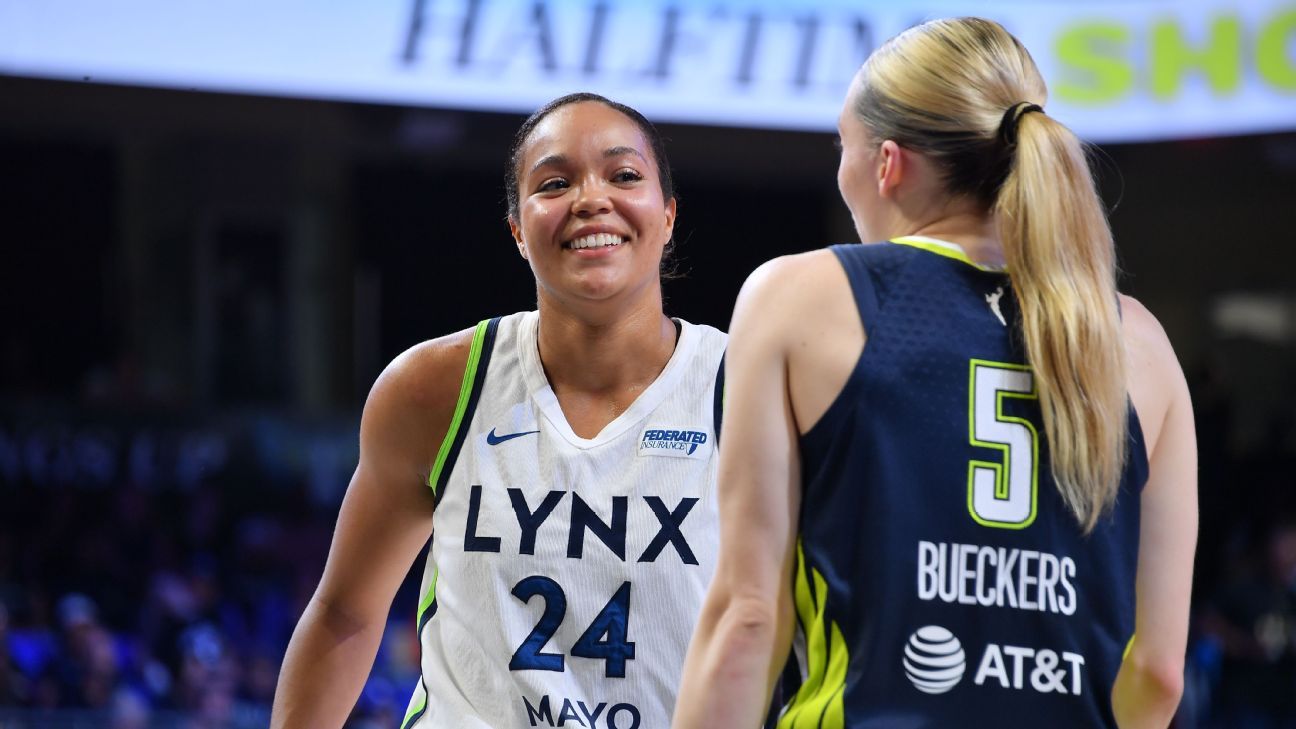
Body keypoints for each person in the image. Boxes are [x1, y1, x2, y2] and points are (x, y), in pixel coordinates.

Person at [672, 17, 1197, 729]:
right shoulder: (1139, 340)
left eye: (843, 146)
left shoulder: (800, 297)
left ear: (887, 164)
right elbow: (1159, 673)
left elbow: (748, 616)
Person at [271, 92, 727, 728]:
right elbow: (344, 613)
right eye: (555, 182)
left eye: (624, 175)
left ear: (669, 214)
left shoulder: (749, 389)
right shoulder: (432, 388)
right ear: (517, 230)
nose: (591, 198)